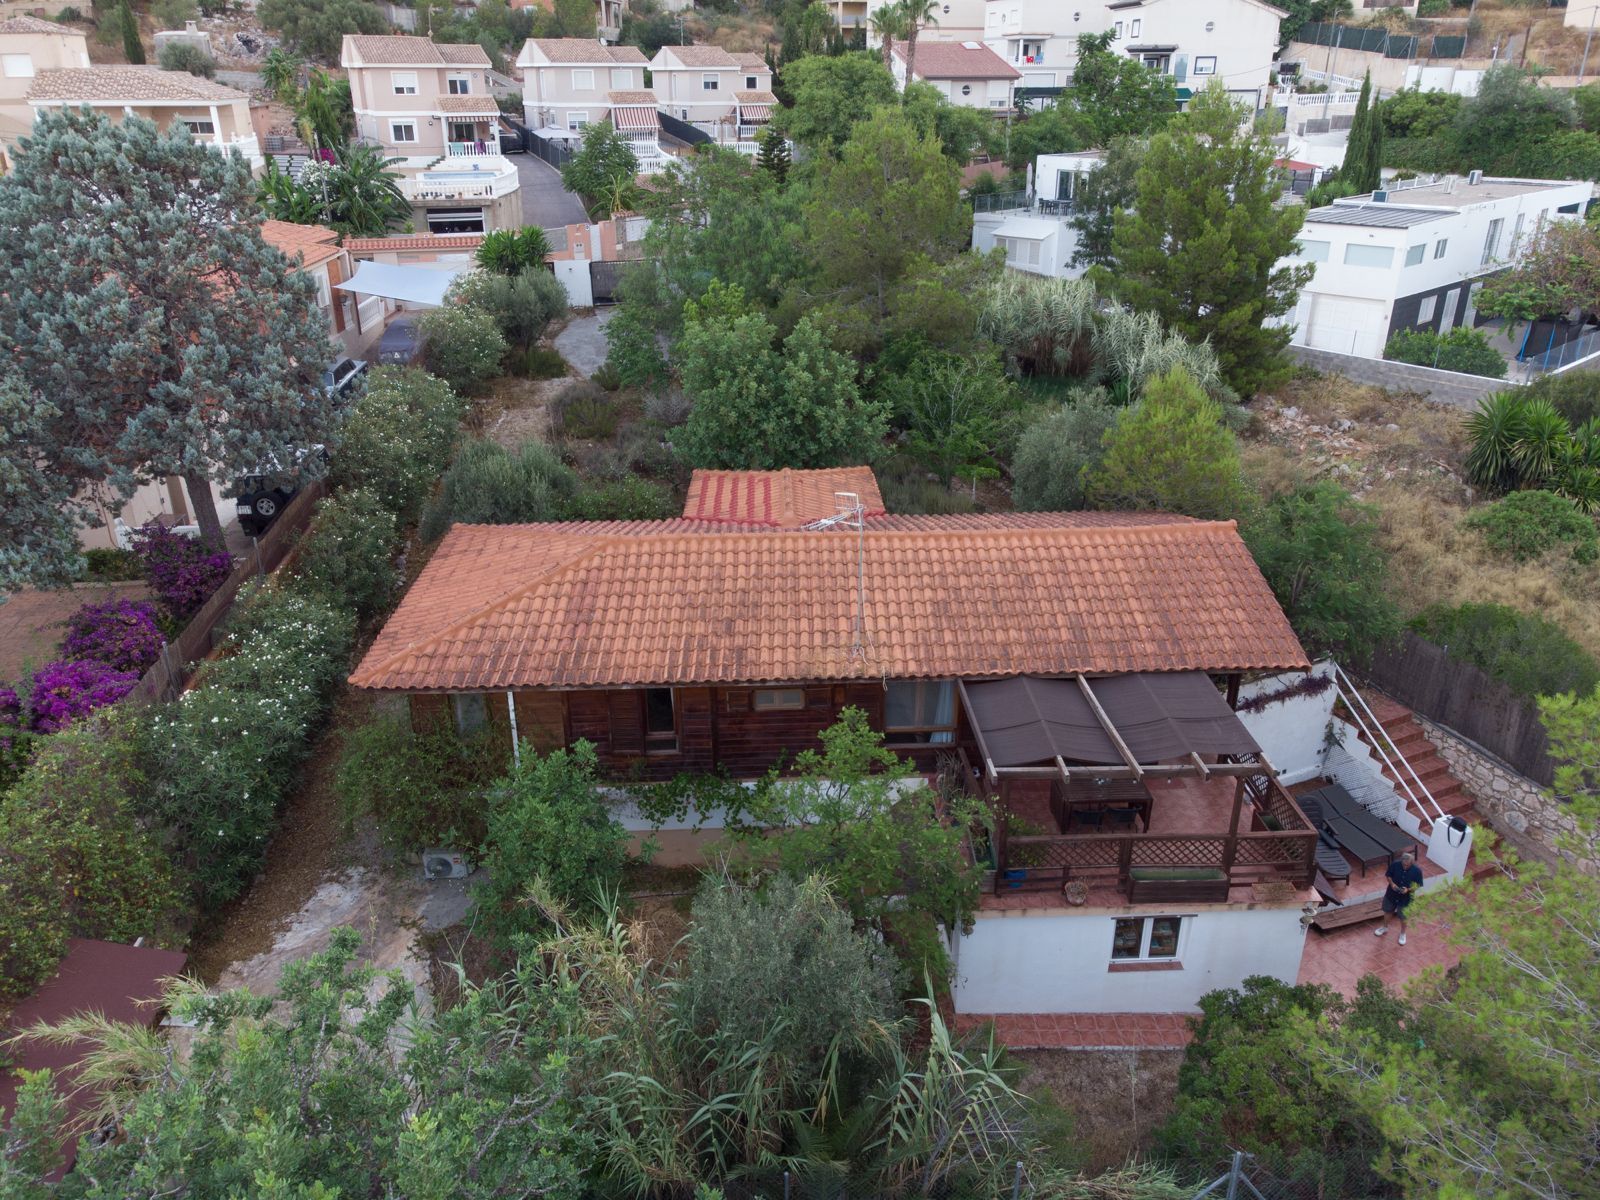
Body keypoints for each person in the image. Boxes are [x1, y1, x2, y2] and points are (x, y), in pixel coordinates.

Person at [1374, 850, 1423, 945]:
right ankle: (1384, 927)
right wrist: (1392, 884)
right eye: (1403, 864)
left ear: (1411, 863)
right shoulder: (1395, 864)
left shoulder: (1417, 871)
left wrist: (1408, 890)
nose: (1405, 866)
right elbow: (1388, 875)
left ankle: (1403, 933)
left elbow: (1418, 885)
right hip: (1392, 893)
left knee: (1403, 916)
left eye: (1407, 865)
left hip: (1406, 898)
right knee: (1387, 911)